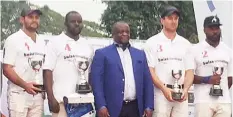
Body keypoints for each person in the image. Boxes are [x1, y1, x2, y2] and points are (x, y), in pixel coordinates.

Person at [90, 21, 154, 117]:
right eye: (121, 32)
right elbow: (96, 83)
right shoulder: (102, 54)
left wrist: (149, 106)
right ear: (113, 34)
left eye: (127, 32)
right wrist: (101, 105)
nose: (125, 34)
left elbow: (148, 82)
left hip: (135, 108)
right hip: (112, 109)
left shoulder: (140, 54)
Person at [144, 6, 194, 117]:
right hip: (160, 94)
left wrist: (186, 89)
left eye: (176, 18)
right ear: (162, 20)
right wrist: (164, 89)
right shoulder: (151, 43)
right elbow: (150, 71)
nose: (173, 21)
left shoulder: (185, 44)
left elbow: (190, 71)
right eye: (170, 18)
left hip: (181, 94)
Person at [43, 11, 94, 117]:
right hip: (61, 103)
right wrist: (51, 98)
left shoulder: (87, 45)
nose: (76, 24)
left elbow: (91, 72)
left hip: (83, 104)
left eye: (79, 21)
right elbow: (47, 70)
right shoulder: (55, 42)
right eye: (73, 21)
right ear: (66, 24)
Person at [2, 6, 45, 117]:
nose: (34, 20)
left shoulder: (42, 41)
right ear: (22, 19)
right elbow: (7, 69)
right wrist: (25, 85)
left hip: (37, 95)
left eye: (37, 17)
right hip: (19, 94)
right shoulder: (13, 39)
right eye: (30, 17)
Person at [191, 15, 232, 117]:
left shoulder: (228, 51)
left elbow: (230, 77)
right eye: (211, 28)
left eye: (217, 28)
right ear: (205, 30)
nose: (215, 31)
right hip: (203, 101)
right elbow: (189, 77)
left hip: (224, 101)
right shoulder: (195, 50)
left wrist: (219, 90)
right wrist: (207, 79)